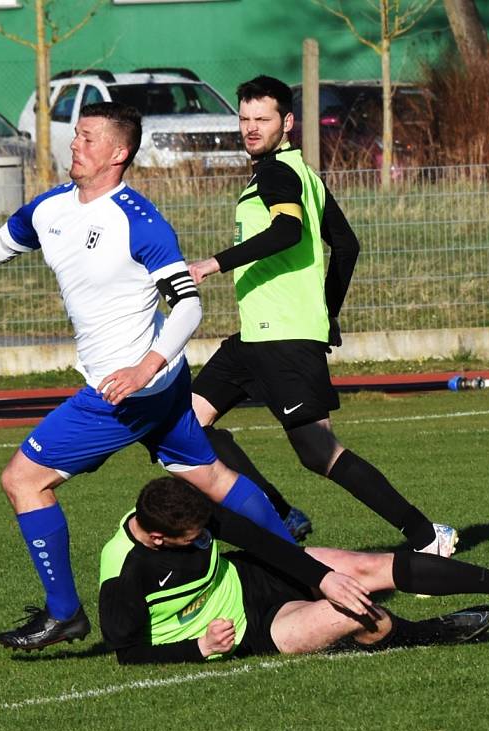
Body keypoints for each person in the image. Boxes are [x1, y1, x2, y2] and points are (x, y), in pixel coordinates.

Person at [0, 102, 294, 653]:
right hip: (159, 386)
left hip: (127, 391)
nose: (74, 145)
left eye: (87, 138)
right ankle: (303, 570)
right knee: (213, 477)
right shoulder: (54, 205)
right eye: (75, 135)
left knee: (23, 480)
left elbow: (189, 307)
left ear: (118, 153)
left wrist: (141, 367)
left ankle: (64, 614)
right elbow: (3, 241)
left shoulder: (140, 223)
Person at [188, 75, 455, 552]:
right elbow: (346, 246)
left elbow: (287, 231)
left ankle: (425, 534)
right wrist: (326, 314)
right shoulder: (301, 173)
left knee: (318, 452)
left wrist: (213, 263)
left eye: (262, 119)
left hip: (283, 339)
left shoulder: (278, 173)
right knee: (186, 424)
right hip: (257, 337)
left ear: (286, 122)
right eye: (245, 119)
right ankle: (278, 514)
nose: (251, 128)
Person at [99, 478, 489, 664]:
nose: (202, 537)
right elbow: (129, 652)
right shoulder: (123, 572)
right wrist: (198, 647)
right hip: (251, 630)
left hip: (251, 576)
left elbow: (262, 543)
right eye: (192, 537)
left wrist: (322, 575)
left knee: (358, 569)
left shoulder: (182, 507)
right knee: (351, 611)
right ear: (157, 539)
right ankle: (423, 634)